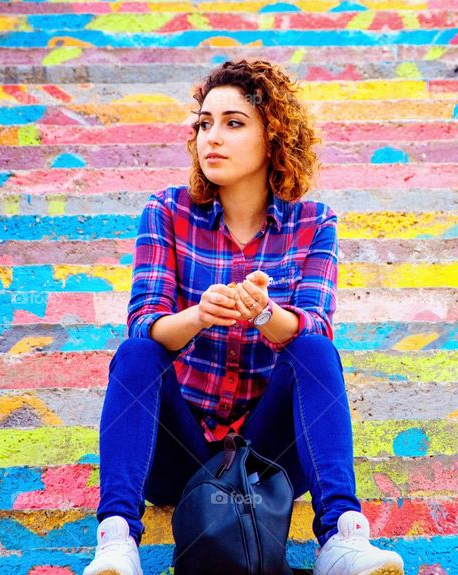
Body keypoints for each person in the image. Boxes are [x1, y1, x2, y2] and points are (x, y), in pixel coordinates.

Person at [82, 59, 404, 575]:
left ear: (273, 137)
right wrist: (200, 316)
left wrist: (267, 315)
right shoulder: (166, 211)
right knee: (137, 353)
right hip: (181, 452)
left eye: (234, 123)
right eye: (205, 124)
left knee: (314, 349)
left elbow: (316, 326)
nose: (213, 137)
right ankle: (117, 540)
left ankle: (343, 536)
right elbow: (145, 321)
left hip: (267, 457)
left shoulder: (315, 222)